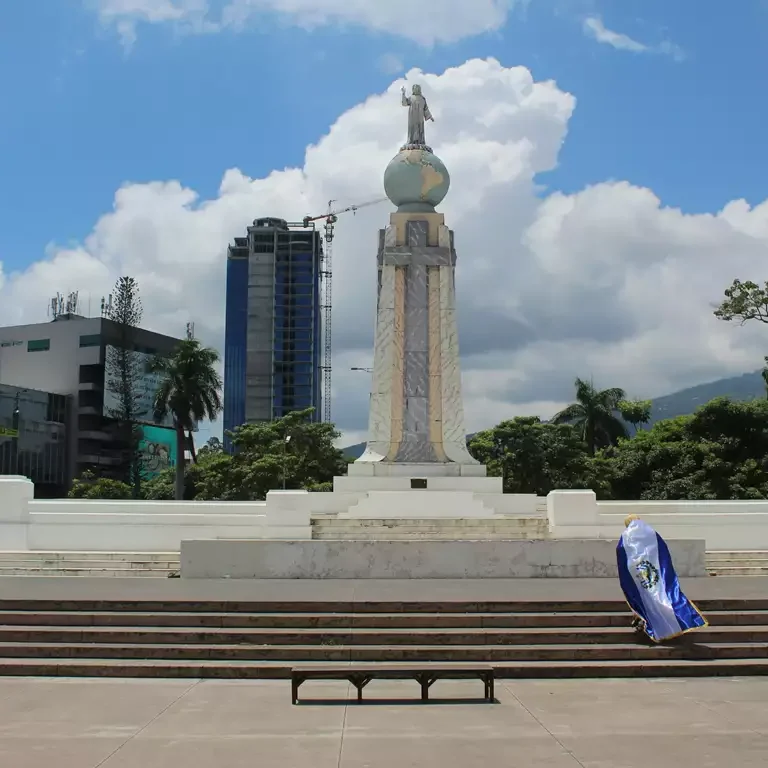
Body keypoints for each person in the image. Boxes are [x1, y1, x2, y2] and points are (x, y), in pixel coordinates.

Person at [617, 514, 707, 643]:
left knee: (644, 599)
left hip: (638, 573)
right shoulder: (651, 534)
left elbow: (622, 554)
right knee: (662, 596)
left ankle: (651, 626)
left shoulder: (626, 537)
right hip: (656, 572)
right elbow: (662, 551)